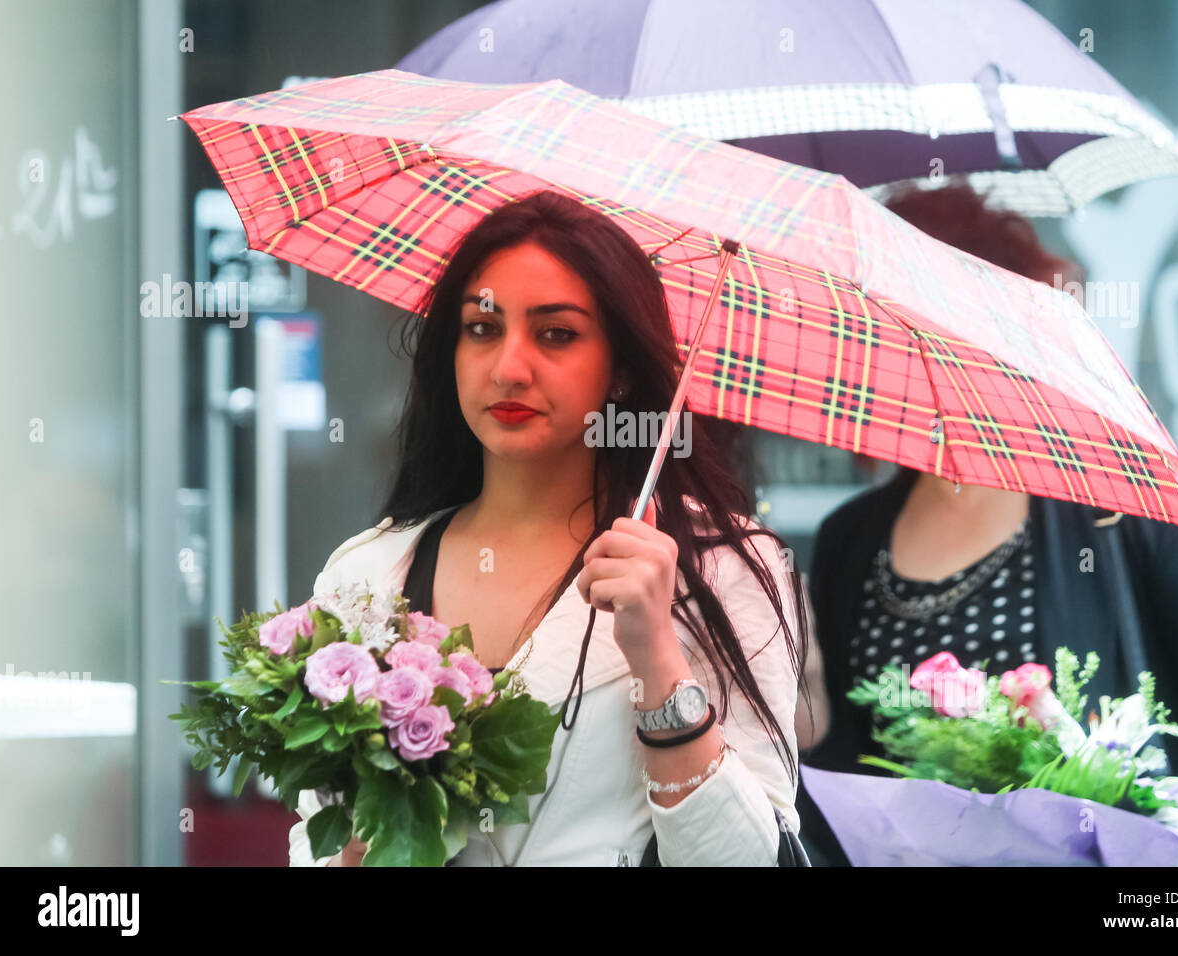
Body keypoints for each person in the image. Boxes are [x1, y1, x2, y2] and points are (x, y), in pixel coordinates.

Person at [287, 190, 811, 866]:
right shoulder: (365, 574)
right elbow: (314, 841)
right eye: (483, 328)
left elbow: (749, 860)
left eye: (556, 333)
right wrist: (372, 834)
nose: (510, 367)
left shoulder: (718, 567)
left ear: (620, 369)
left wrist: (656, 657)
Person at [799, 184, 1178, 863]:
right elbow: (844, 766)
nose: (917, 353)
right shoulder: (850, 539)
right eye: (882, 330)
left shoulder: (1131, 491)